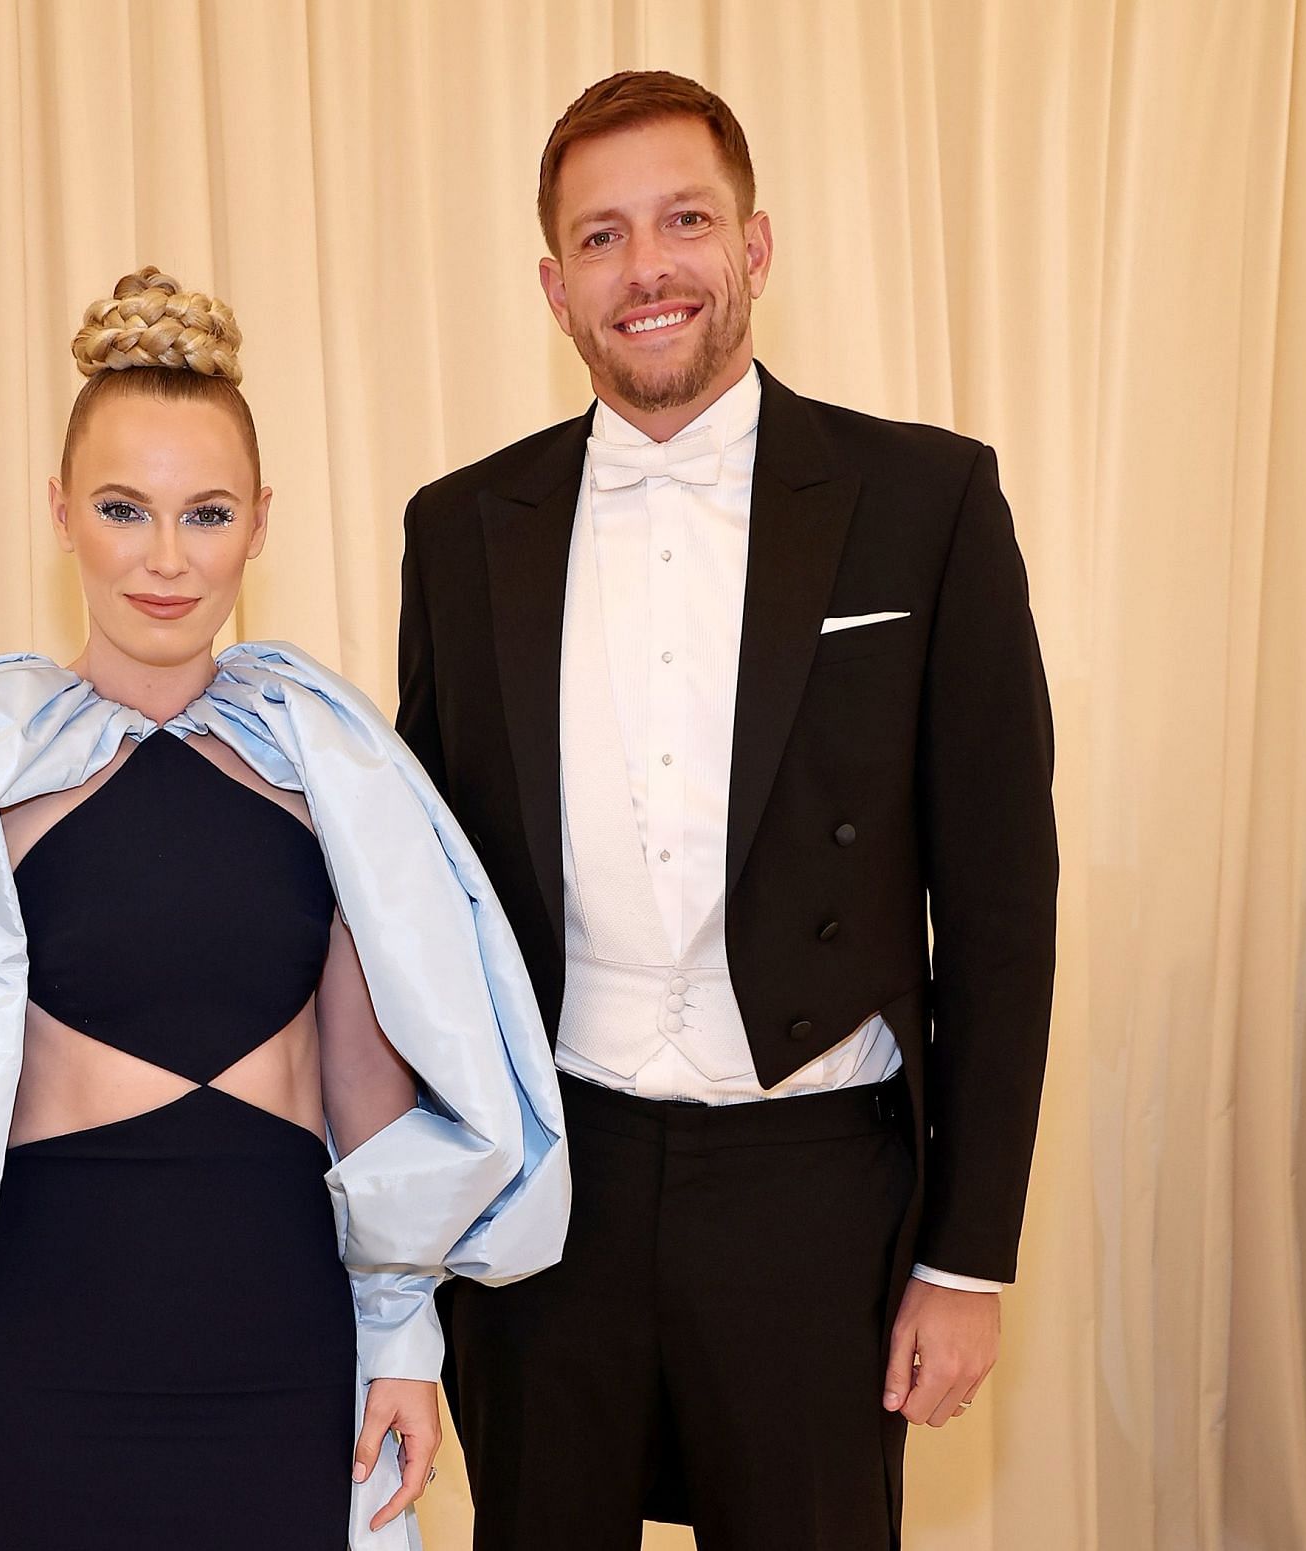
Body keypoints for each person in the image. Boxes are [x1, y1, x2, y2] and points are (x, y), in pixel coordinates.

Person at [0, 268, 567, 1551]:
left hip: (279, 1336)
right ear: (60, 512)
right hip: (36, 1340)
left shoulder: (333, 766)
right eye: (124, 510)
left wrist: (403, 1334)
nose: (165, 557)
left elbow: (364, 1076)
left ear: (261, 524)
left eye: (206, 513)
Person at [397, 72, 1058, 1549]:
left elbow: (1004, 907)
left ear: (754, 245)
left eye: (685, 220)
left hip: (814, 1193)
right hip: (548, 1190)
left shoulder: (926, 499)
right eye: (605, 236)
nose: (650, 269)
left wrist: (968, 1255)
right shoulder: (456, 530)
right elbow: (418, 902)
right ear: (555, 284)